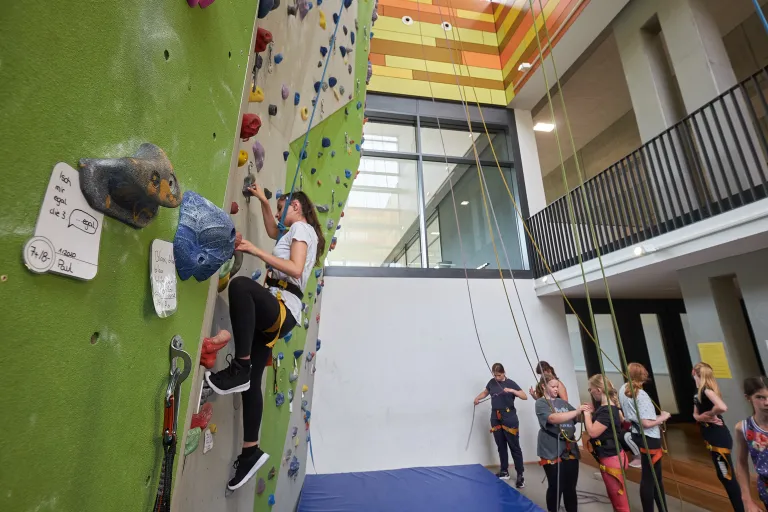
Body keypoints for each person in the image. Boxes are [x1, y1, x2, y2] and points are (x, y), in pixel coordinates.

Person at [204, 185, 324, 491]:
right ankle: (249, 452)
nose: (281, 217)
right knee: (251, 385)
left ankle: (240, 367)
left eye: (284, 207)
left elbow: (295, 269)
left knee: (241, 287)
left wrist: (255, 251)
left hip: (283, 307)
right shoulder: (295, 230)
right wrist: (263, 201)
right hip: (280, 312)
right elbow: (274, 229)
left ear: (296, 207)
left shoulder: (302, 228)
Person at [619, 363, 671, 512]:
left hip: (637, 434)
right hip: (649, 438)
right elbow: (647, 423)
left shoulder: (623, 389)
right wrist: (663, 417)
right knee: (653, 479)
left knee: (650, 477)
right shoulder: (640, 395)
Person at [693, 362, 744, 512]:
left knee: (726, 475)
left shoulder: (707, 391)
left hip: (718, 436)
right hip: (710, 436)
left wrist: (710, 414)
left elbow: (722, 407)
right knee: (722, 475)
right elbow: (695, 414)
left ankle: (740, 509)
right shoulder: (698, 393)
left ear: (694, 372)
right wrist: (701, 417)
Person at [536, 374, 587, 512]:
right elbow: (552, 418)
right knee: (556, 486)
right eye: (553, 386)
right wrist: (576, 411)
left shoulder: (563, 403)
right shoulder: (541, 403)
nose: (556, 389)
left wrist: (587, 412)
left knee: (570, 487)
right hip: (551, 450)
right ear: (543, 386)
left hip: (570, 449)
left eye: (557, 386)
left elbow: (578, 417)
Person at [474, 363, 528, 487]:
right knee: (501, 445)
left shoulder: (511, 383)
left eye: (499, 375)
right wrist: (478, 398)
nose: (496, 377)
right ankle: (504, 471)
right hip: (495, 417)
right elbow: (485, 392)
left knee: (514, 447)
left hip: (509, 417)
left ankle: (520, 475)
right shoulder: (492, 382)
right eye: (495, 375)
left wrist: (512, 390)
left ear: (504, 373)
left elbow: (524, 396)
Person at [584, 374, 630, 512]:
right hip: (610, 455)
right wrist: (592, 413)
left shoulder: (606, 410)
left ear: (598, 390)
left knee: (619, 501)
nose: (590, 392)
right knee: (615, 498)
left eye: (590, 389)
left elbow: (592, 432)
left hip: (611, 458)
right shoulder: (608, 408)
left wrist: (587, 415)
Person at [735, 376, 768, 512]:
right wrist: (747, 500)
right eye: (760, 397)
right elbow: (741, 463)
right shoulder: (743, 428)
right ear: (748, 398)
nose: (767, 402)